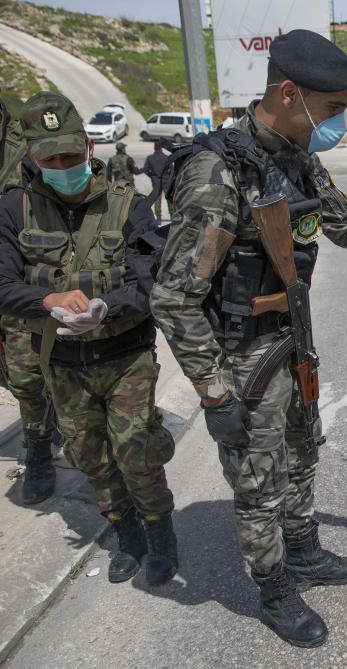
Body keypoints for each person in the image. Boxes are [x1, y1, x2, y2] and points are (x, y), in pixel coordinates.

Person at [150, 30, 347, 648]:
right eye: (334, 108)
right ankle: (273, 590)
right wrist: (216, 396)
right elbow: (172, 298)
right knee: (257, 482)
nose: (340, 121)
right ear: (290, 92)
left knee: (302, 453)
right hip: (241, 361)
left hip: (289, 344)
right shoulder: (216, 174)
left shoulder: (295, 154)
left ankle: (303, 553)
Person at [0, 92, 178, 585]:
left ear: (89, 148)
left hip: (125, 357)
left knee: (136, 452)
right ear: (32, 158)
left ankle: (161, 534)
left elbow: (151, 281)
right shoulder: (14, 209)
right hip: (61, 361)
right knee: (91, 458)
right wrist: (47, 302)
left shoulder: (133, 206)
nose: (63, 166)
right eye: (50, 158)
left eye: (71, 155)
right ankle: (128, 536)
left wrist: (103, 308)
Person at [0, 87, 58, 505]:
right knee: (18, 376)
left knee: (33, 374)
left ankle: (41, 446)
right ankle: (43, 437)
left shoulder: (29, 142)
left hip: (29, 278)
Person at [142, 141, 167, 220]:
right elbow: (172, 170)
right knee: (169, 198)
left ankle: (158, 217)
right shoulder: (166, 157)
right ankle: (173, 215)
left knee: (157, 199)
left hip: (155, 180)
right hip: (166, 180)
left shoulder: (150, 158)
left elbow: (145, 170)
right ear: (161, 148)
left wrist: (152, 176)